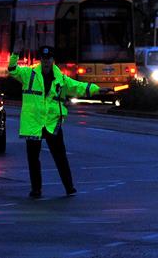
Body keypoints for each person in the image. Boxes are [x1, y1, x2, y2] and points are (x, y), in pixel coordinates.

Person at [8, 46, 110, 198]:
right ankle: (36, 189)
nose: (46, 62)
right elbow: (12, 69)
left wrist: (96, 89)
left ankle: (69, 187)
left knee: (60, 156)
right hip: (34, 123)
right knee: (33, 158)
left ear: (53, 60)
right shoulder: (29, 74)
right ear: (40, 60)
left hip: (51, 122)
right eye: (43, 59)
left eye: (49, 59)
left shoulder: (60, 79)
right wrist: (16, 53)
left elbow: (77, 87)